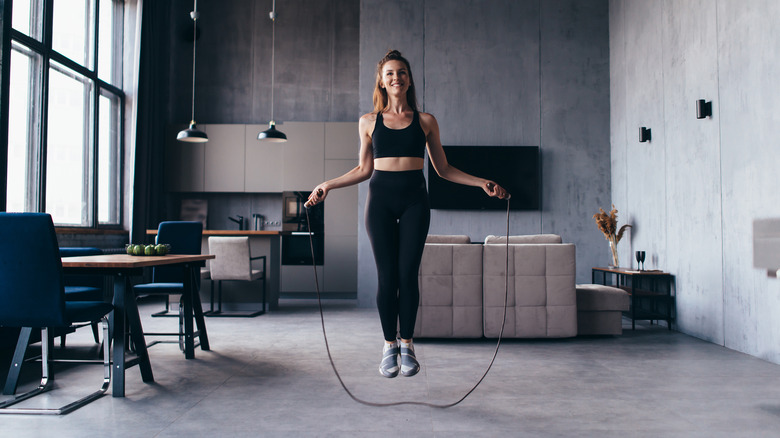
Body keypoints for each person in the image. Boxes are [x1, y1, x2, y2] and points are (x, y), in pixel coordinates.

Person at [306, 49, 508, 378]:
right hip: (380, 202)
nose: (396, 77)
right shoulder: (368, 122)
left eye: (401, 72)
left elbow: (442, 169)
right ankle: (388, 346)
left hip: (416, 201)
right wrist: (327, 185)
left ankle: (407, 344)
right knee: (387, 278)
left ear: (409, 79)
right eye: (389, 73)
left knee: (407, 275)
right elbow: (362, 169)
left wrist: (480, 182)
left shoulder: (426, 121)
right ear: (382, 82)